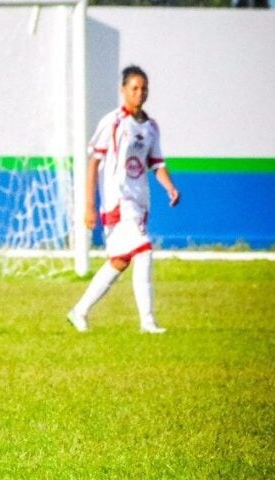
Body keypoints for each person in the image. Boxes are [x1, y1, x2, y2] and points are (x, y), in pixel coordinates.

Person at [67, 65, 180, 334]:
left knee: (120, 260)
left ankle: (79, 311)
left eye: (144, 89)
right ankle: (148, 322)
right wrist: (88, 206)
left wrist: (170, 188)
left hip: (140, 202)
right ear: (123, 90)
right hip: (118, 202)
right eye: (134, 88)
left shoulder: (151, 127)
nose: (139, 93)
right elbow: (94, 163)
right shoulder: (114, 122)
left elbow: (156, 163)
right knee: (144, 251)